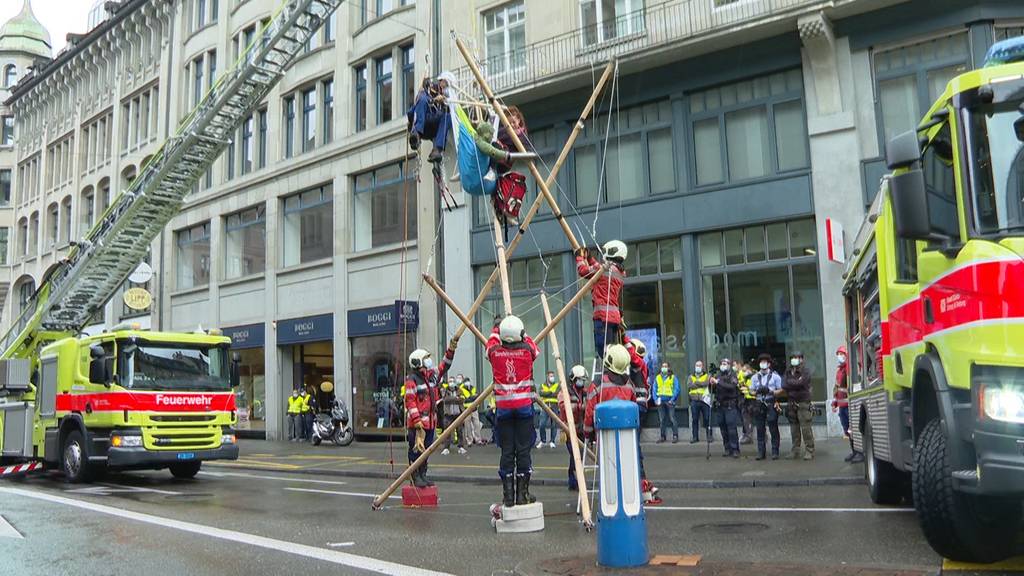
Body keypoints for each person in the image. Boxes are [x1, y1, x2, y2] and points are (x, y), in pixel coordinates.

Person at [488, 315, 540, 508]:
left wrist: (498, 328)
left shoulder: (495, 352)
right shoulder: (527, 351)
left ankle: (508, 496)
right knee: (524, 451)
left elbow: (490, 342)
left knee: (507, 452)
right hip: (524, 409)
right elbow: (532, 344)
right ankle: (523, 494)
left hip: (503, 411)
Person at [404, 342, 457, 488]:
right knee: (416, 451)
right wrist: (416, 421)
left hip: (430, 422)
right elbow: (410, 401)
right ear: (418, 362)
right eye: (426, 358)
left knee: (426, 450)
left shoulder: (431, 377)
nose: (429, 360)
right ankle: (415, 476)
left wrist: (451, 350)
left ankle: (422, 475)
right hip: (418, 424)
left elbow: (444, 366)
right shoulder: (412, 380)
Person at [577, 240, 627, 357]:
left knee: (603, 352)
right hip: (613, 318)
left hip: (602, 317)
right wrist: (589, 258)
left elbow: (583, 271)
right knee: (610, 351)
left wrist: (579, 257)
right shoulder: (619, 271)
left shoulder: (605, 270)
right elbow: (598, 269)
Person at [623, 337, 659, 504]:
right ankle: (641, 480)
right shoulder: (641, 365)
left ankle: (641, 481)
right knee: (633, 444)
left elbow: (630, 355)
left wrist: (624, 338)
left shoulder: (638, 364)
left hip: (635, 407)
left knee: (633, 446)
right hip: (639, 407)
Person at [406, 71, 454, 164]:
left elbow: (452, 111)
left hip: (435, 128)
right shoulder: (427, 93)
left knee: (448, 116)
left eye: (442, 82)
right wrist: (433, 100)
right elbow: (412, 112)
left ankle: (437, 149)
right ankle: (416, 134)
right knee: (423, 99)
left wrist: (444, 101)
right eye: (440, 81)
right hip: (423, 124)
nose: (441, 84)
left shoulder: (450, 96)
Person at [833, 346, 863, 463]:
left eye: (842, 354)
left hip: (849, 406)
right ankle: (854, 451)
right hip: (842, 406)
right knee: (847, 430)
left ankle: (859, 452)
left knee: (853, 430)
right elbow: (837, 388)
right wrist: (835, 402)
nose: (839, 356)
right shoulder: (839, 371)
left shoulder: (849, 370)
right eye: (838, 354)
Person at [783, 351, 815, 460]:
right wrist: (794, 382)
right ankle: (795, 451)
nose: (795, 359)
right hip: (791, 403)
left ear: (802, 359)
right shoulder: (788, 371)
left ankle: (809, 451)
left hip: (803, 403)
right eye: (793, 357)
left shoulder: (805, 371)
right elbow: (784, 384)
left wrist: (792, 383)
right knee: (794, 429)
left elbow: (802, 383)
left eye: (797, 357)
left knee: (806, 429)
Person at [750, 353, 782, 460]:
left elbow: (781, 391)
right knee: (760, 429)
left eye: (765, 362)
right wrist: (756, 392)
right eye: (761, 362)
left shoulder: (775, 376)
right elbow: (751, 391)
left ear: (769, 364)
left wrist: (771, 392)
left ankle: (775, 451)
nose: (763, 364)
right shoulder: (755, 377)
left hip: (771, 403)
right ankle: (761, 452)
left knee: (773, 427)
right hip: (759, 404)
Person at [561, 365, 588, 491]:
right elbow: (564, 408)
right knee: (574, 455)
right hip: (569, 431)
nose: (582, 382)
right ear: (574, 379)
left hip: (581, 431)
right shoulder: (565, 392)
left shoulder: (584, 392)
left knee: (580, 456)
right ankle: (572, 480)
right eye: (580, 379)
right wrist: (580, 407)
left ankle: (576, 481)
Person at [713, 358, 741, 458]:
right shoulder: (718, 375)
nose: (723, 365)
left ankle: (735, 449)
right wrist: (711, 384)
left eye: (725, 364)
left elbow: (732, 387)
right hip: (720, 405)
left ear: (729, 365)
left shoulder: (732, 375)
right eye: (722, 363)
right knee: (723, 428)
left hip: (730, 404)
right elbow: (713, 390)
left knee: (731, 428)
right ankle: (727, 448)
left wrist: (718, 383)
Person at [654, 362, 680, 443]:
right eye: (663, 366)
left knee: (672, 418)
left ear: (669, 368)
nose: (664, 368)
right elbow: (654, 389)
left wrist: (672, 399)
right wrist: (656, 399)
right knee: (662, 420)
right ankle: (662, 436)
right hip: (660, 401)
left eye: (666, 366)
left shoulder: (673, 377)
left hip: (670, 401)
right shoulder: (657, 377)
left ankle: (675, 436)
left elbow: (677, 389)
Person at [439, 378, 466, 455]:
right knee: (447, 432)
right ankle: (446, 448)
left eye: (453, 381)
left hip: (458, 413)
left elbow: (462, 399)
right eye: (450, 381)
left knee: (460, 430)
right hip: (448, 414)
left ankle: (461, 447)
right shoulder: (445, 390)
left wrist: (456, 399)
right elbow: (445, 399)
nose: (452, 383)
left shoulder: (459, 390)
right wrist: (456, 398)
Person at [688, 360, 712, 443]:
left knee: (707, 418)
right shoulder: (691, 376)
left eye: (699, 365)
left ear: (702, 367)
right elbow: (689, 385)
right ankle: (695, 437)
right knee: (694, 419)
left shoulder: (707, 376)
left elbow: (706, 383)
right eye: (696, 365)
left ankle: (709, 436)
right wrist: (700, 383)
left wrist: (697, 382)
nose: (698, 367)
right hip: (694, 400)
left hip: (704, 400)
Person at [458, 374, 484, 446]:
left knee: (477, 424)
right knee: (467, 426)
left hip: (474, 409)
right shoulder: (461, 389)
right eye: (466, 382)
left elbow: (477, 396)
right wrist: (471, 397)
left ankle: (478, 439)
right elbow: (463, 399)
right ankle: (469, 440)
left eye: (468, 381)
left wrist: (470, 398)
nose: (467, 383)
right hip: (466, 410)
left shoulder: (473, 388)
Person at [537, 371, 560, 449]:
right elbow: (540, 393)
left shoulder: (557, 385)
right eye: (551, 376)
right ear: (547, 377)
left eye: (553, 376)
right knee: (542, 424)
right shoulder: (542, 385)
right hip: (545, 405)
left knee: (554, 424)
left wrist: (546, 393)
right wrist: (550, 392)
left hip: (554, 406)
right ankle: (543, 441)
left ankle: (552, 441)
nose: (552, 378)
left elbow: (557, 393)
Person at [738, 363, 755, 445]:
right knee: (746, 420)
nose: (743, 372)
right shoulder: (744, 378)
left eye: (745, 370)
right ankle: (748, 436)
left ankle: (763, 436)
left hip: (753, 400)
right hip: (745, 400)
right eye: (743, 370)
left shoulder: (753, 377)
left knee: (756, 419)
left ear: (750, 370)